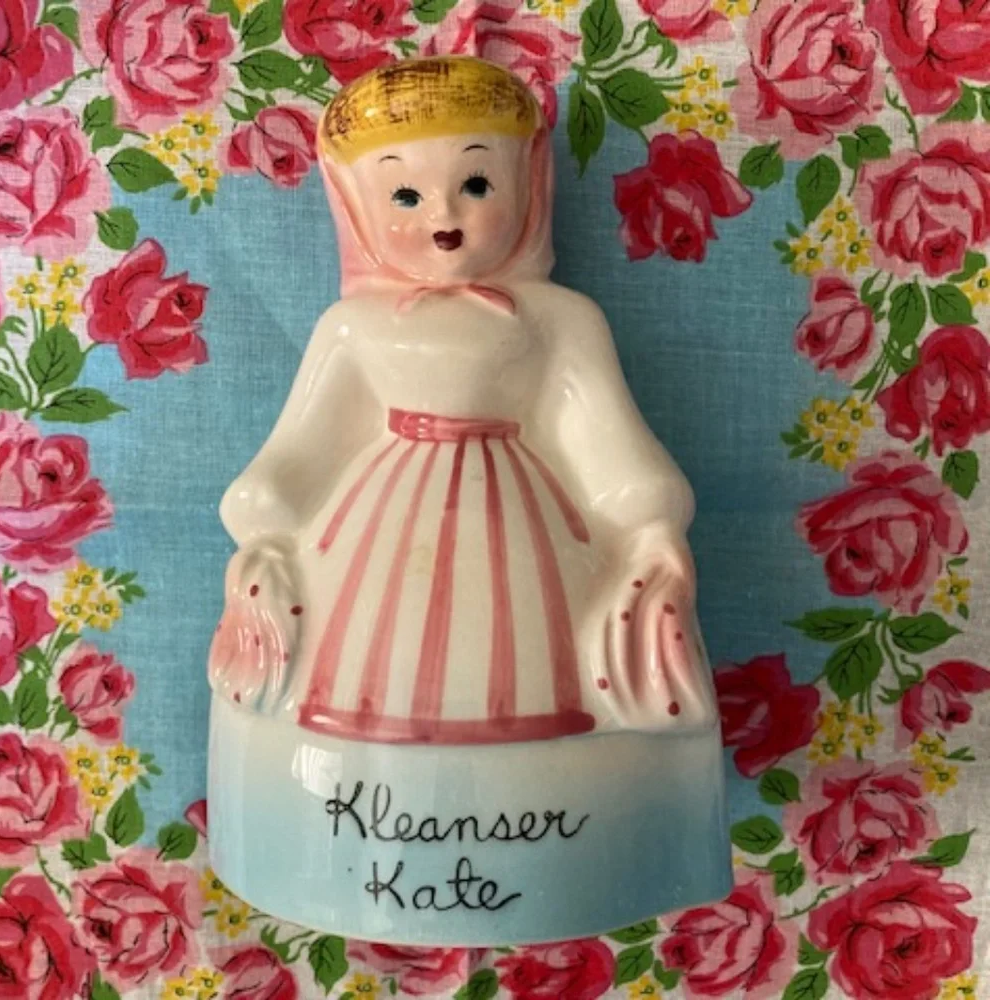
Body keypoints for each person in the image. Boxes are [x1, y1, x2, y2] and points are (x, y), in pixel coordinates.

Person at [209, 55, 716, 744]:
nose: (443, 216)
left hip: (519, 528)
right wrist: (264, 513)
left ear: (527, 185)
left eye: (476, 184)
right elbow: (304, 443)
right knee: (365, 657)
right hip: (376, 531)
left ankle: (534, 781)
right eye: (405, 196)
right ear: (355, 204)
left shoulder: (560, 319)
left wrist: (649, 521)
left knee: (521, 657)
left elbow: (607, 435)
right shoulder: (352, 326)